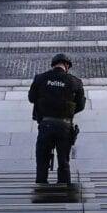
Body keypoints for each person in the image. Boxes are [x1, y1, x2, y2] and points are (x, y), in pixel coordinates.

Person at [29, 53, 86, 185]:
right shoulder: (75, 82)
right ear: (67, 66)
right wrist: (67, 112)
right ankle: (64, 189)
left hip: (45, 125)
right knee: (64, 161)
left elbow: (31, 98)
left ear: (53, 64)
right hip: (64, 127)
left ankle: (41, 188)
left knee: (42, 160)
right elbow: (81, 105)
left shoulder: (40, 78)